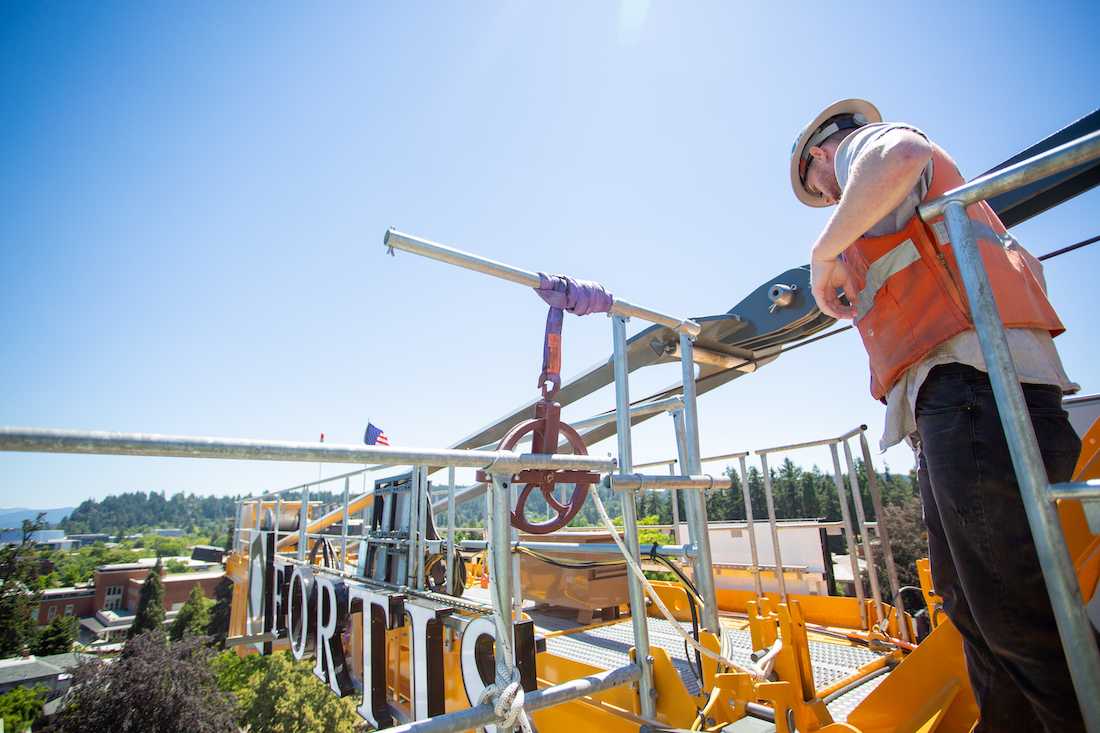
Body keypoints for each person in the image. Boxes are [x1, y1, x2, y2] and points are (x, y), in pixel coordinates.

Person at [790, 99, 1091, 731]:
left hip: (975, 390)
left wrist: (824, 253)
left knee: (1007, 605)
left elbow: (901, 155)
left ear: (820, 155)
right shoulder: (890, 205)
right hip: (970, 395)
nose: (828, 199)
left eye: (820, 191)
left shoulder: (859, 150)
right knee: (967, 598)